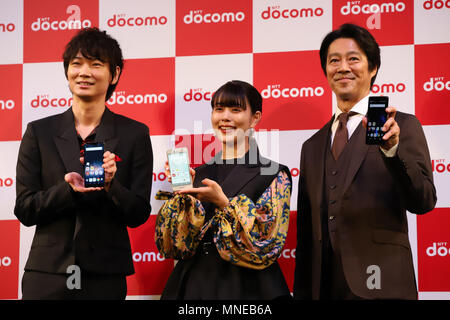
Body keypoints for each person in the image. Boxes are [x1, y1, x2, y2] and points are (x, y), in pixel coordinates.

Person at [293, 23, 436, 300]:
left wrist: (393, 151)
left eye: (353, 58)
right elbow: (306, 234)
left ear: (372, 69)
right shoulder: (311, 146)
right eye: (334, 60)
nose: (342, 67)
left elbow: (424, 200)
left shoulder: (402, 125)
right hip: (324, 288)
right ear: (325, 71)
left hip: (383, 283)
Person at [14, 27, 153, 299]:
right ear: (67, 71)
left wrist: (112, 186)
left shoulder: (134, 133)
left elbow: (138, 213)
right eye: (76, 64)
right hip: (48, 273)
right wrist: (67, 191)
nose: (84, 72)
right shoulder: (39, 132)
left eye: (96, 64)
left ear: (115, 74)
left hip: (105, 275)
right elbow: (25, 209)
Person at [155, 80, 292, 299]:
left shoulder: (274, 173)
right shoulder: (198, 174)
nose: (225, 117)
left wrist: (224, 204)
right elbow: (175, 247)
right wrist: (183, 198)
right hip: (195, 285)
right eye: (218, 109)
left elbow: (267, 245)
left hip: (248, 288)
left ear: (255, 117)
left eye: (235, 110)